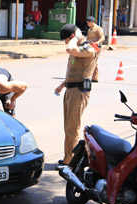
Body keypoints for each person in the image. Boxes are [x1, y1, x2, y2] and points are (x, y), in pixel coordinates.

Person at [54, 24, 97, 167]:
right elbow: (73, 70)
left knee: (73, 127)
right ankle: (68, 157)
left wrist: (76, 37)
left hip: (79, 91)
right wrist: (62, 85)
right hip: (70, 90)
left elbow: (70, 48)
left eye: (67, 39)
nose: (66, 43)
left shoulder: (88, 48)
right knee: (68, 127)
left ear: (72, 37)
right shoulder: (77, 49)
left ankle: (73, 160)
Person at [86, 16, 104, 82]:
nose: (87, 24)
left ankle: (94, 77)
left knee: (94, 61)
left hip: (96, 47)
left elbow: (102, 38)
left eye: (88, 22)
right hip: (90, 47)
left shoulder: (98, 29)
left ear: (92, 22)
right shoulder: (89, 30)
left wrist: (98, 42)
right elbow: (88, 39)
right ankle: (93, 77)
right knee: (91, 61)